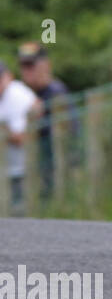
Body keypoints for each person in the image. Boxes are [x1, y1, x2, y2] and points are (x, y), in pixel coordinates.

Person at [16, 43, 72, 200]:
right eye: (23, 65)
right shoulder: (23, 95)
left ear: (46, 65)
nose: (26, 70)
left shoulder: (56, 93)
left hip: (54, 169)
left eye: (31, 65)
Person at [0, 60, 38, 215]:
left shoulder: (17, 95)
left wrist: (3, 130)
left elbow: (22, 137)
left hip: (23, 168)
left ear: (8, 76)